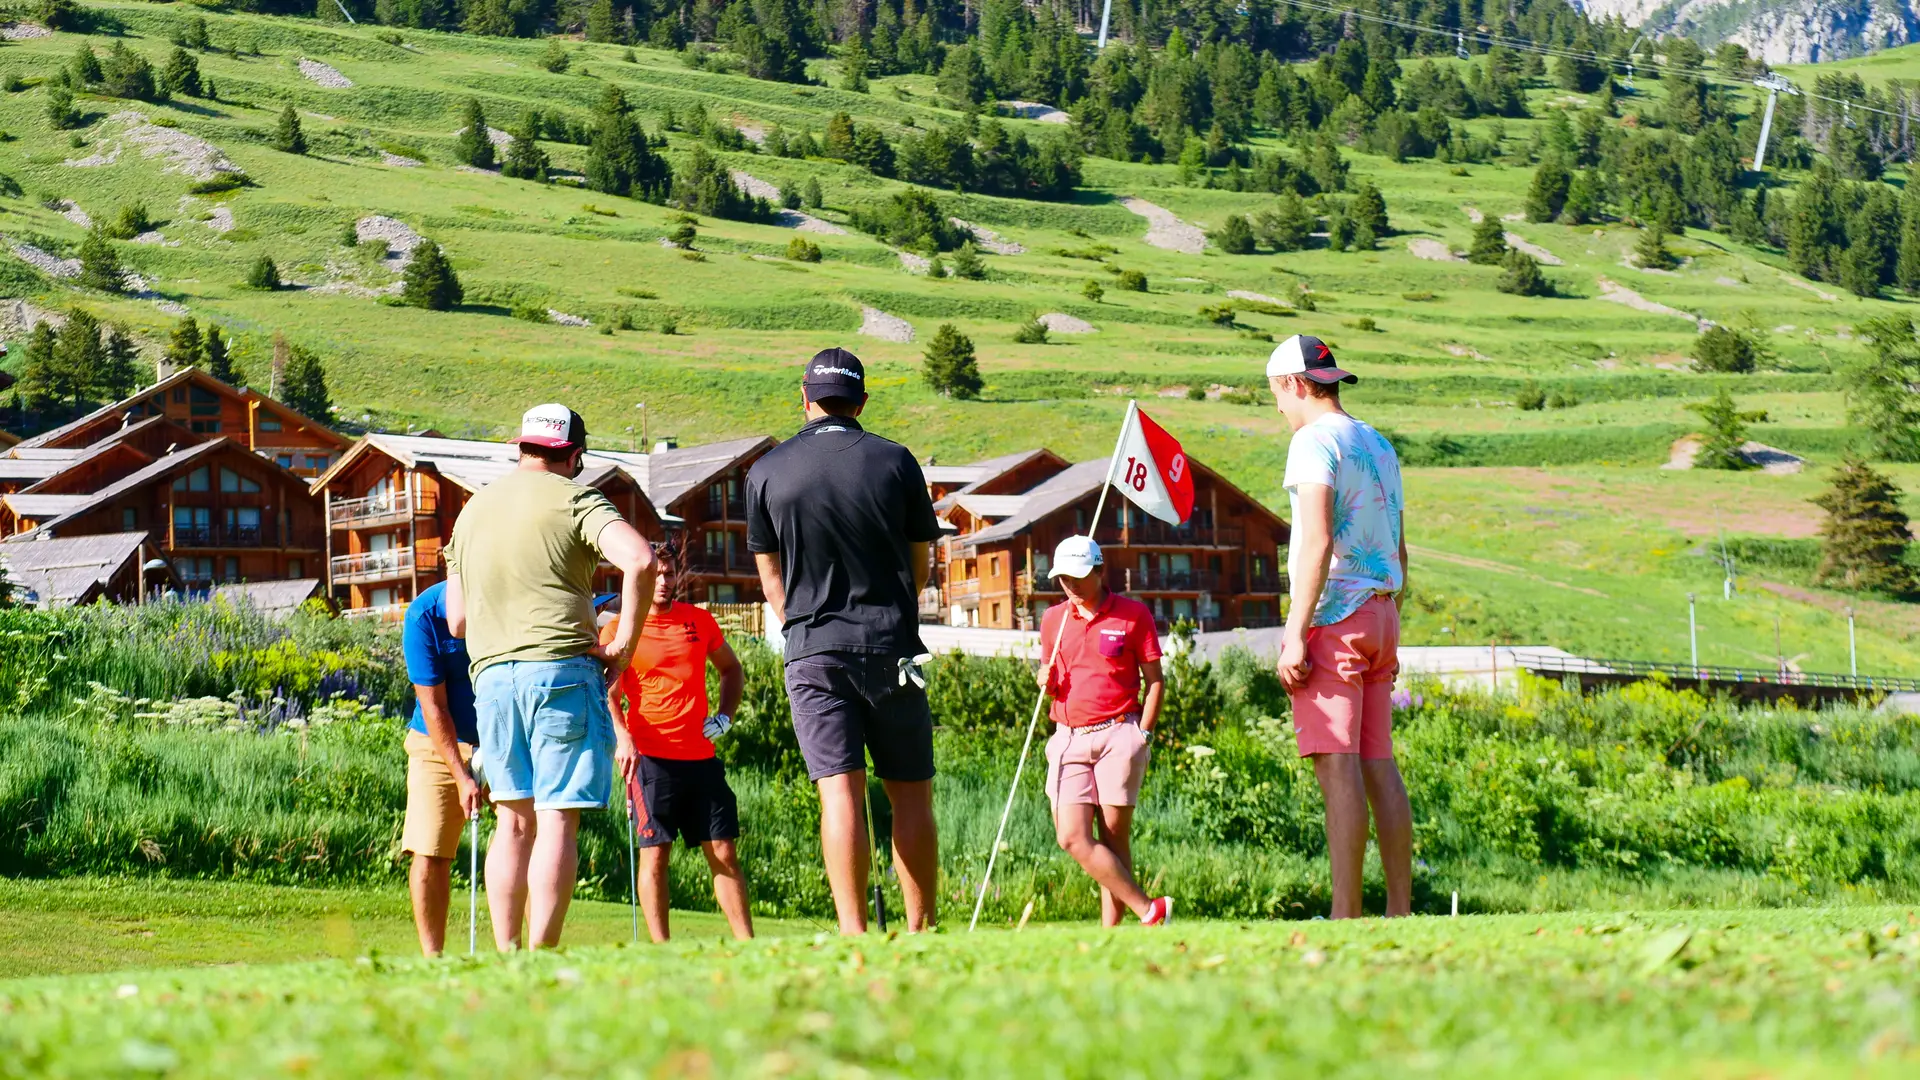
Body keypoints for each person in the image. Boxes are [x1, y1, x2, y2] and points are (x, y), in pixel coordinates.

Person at [445, 403, 657, 950]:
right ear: (575, 455)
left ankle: (508, 954)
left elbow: (458, 619)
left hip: (490, 679)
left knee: (511, 822)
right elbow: (639, 560)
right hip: (561, 669)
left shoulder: (472, 511)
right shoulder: (576, 498)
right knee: (557, 818)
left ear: (522, 447)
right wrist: (623, 648)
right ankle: (542, 954)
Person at [746, 347, 943, 934]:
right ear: (861, 400)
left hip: (812, 647)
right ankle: (922, 930)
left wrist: (801, 626)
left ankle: (854, 931)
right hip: (891, 645)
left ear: (803, 396)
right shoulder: (896, 461)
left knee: (840, 793)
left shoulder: (766, 471)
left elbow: (771, 579)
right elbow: (921, 565)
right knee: (910, 795)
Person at [1266, 334, 1413, 919]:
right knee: (1380, 763)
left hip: (1336, 615)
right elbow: (1401, 547)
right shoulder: (1379, 443)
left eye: (1276, 394)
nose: (1278, 408)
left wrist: (1295, 632)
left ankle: (1345, 913)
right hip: (1382, 612)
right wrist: (1394, 615)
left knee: (1337, 762)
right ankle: (1400, 910)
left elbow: (1318, 542)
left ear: (1294, 384)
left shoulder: (1311, 443)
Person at [600, 540, 753, 942]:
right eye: (657, 574)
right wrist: (623, 738)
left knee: (723, 851)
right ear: (640, 576)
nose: (664, 581)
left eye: (670, 573)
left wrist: (725, 716)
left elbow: (731, 669)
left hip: (701, 756)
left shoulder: (699, 621)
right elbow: (609, 693)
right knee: (655, 856)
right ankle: (662, 948)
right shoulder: (619, 627)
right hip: (650, 758)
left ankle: (747, 944)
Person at [1038, 536, 1174, 927]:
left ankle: (1112, 934)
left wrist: (1142, 735)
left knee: (1114, 841)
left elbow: (1156, 681)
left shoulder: (1133, 615)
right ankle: (1150, 910)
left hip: (1119, 735)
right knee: (1072, 837)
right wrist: (1043, 681)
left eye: (1078, 576)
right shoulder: (1053, 619)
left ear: (1100, 571)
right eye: (1063, 577)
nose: (1071, 585)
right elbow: (1052, 683)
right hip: (1068, 737)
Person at [399, 580, 482, 957]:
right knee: (431, 851)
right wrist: (462, 776)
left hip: (503, 736)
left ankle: (525, 954)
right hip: (437, 742)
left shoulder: (505, 595)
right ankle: (433, 959)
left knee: (524, 834)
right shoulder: (423, 615)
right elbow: (434, 708)